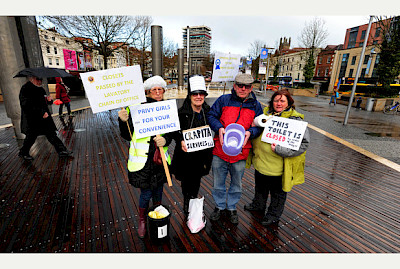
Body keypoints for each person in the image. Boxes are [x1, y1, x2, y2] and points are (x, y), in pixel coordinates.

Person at [118, 75, 173, 238]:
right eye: (153, 89)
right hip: (142, 160)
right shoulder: (135, 107)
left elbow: (172, 132)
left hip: (160, 159)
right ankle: (142, 219)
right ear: (148, 92)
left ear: (163, 91)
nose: (157, 92)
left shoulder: (166, 107)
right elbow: (126, 135)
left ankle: (156, 216)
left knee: (158, 192)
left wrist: (166, 139)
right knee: (146, 193)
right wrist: (123, 121)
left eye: (160, 89)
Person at [245, 89, 310, 226]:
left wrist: (281, 150)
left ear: (288, 103)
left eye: (282, 101)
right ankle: (258, 205)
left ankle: (273, 215)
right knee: (260, 188)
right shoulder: (265, 114)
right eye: (276, 100)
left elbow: (303, 144)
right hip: (261, 162)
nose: (278, 103)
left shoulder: (294, 120)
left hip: (278, 167)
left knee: (277, 194)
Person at [207, 73, 263, 224]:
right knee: (218, 183)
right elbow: (211, 115)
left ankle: (231, 208)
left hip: (241, 152)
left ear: (251, 88)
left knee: (236, 184)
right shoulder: (223, 100)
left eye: (247, 86)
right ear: (234, 86)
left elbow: (260, 126)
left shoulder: (256, 106)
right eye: (240, 85)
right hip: (220, 150)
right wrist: (219, 127)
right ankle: (219, 206)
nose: (243, 89)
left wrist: (251, 132)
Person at [170, 75, 213, 217]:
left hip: (202, 156)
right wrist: (180, 139)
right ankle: (188, 207)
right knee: (187, 184)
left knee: (196, 182)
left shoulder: (209, 111)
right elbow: (174, 131)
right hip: (186, 156)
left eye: (201, 94)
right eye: (195, 94)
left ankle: (192, 205)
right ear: (190, 96)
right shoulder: (181, 113)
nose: (199, 97)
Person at [18, 76, 73, 161]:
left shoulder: (40, 89)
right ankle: (23, 152)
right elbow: (26, 105)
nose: (40, 81)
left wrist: (49, 100)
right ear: (31, 79)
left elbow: (44, 102)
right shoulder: (26, 89)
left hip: (45, 118)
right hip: (33, 119)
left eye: (41, 79)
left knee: (52, 135)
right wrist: (40, 113)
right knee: (31, 137)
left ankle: (62, 150)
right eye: (38, 79)